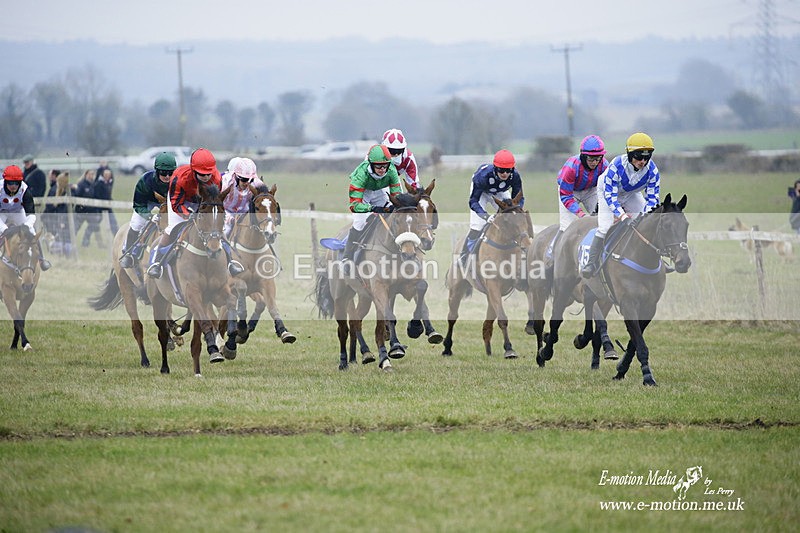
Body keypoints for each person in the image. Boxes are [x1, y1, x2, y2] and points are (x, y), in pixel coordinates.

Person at [146, 148, 244, 279]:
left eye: (208, 174)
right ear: (193, 170)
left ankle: (231, 261)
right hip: (181, 202)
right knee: (171, 228)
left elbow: (214, 200)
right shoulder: (179, 179)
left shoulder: (216, 178)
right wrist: (189, 215)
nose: (206, 177)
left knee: (216, 228)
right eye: (202, 174)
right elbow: (176, 204)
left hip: (202, 202)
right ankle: (156, 263)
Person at [581, 132, 660, 279]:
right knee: (605, 227)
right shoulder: (616, 166)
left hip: (630, 193)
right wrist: (622, 215)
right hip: (607, 192)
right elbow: (611, 197)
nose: (642, 161)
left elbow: (653, 199)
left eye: (646, 157)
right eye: (638, 157)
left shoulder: (653, 171)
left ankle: (652, 259)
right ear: (629, 154)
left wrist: (643, 216)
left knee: (647, 223)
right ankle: (591, 263)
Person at [547, 135, 609, 271]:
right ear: (583, 156)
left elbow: (607, 188)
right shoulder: (571, 167)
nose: (594, 162)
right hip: (570, 192)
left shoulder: (604, 165)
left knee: (602, 221)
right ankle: (551, 252)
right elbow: (566, 195)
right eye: (591, 159)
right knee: (567, 226)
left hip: (591, 190)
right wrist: (580, 214)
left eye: (598, 158)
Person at [459, 149, 524, 263]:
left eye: (508, 170)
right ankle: (464, 256)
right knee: (477, 226)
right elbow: (473, 201)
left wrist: (517, 211)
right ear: (495, 168)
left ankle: (522, 250)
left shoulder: (515, 176)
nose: (505, 174)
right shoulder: (482, 176)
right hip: (481, 193)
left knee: (513, 220)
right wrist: (485, 216)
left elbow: (519, 199)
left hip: (500, 191)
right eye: (501, 170)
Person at [342, 144, 402, 266]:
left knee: (395, 215)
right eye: (378, 166)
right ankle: (347, 258)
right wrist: (372, 208)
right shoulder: (360, 175)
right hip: (363, 193)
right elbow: (354, 206)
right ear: (370, 164)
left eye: (385, 166)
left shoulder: (391, 170)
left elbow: (397, 197)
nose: (382, 169)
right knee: (360, 222)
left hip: (379, 191)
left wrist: (394, 206)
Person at [118, 152, 177, 269]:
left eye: (170, 173)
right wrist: (149, 216)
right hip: (148, 202)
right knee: (136, 223)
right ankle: (128, 253)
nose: (167, 176)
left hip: (169, 203)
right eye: (163, 173)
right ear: (156, 171)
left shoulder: (178, 181)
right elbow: (139, 204)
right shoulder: (145, 180)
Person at [0, 165, 51, 270]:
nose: (13, 186)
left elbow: (31, 214)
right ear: (5, 181)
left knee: (32, 231)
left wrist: (27, 225)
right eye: (10, 183)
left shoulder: (25, 190)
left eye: (16, 183)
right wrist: (4, 229)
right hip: (2, 212)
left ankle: (41, 260)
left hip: (18, 211)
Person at [221, 157, 265, 239]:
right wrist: (227, 217)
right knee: (225, 231)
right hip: (226, 213)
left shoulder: (256, 183)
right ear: (236, 176)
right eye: (244, 180)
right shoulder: (225, 182)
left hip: (245, 215)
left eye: (250, 180)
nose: (247, 184)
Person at [73, 169, 101, 247]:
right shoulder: (81, 184)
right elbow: (77, 195)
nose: (91, 176)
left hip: (91, 211)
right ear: (86, 175)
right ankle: (70, 242)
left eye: (93, 174)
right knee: (75, 228)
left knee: (93, 226)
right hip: (81, 211)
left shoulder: (94, 185)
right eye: (90, 174)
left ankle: (85, 243)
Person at [93, 168, 119, 237]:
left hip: (107, 207)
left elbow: (107, 194)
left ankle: (116, 237)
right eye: (106, 175)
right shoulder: (98, 184)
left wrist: (110, 200)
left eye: (109, 175)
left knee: (113, 223)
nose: (107, 176)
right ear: (103, 175)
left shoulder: (109, 182)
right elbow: (97, 195)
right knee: (94, 224)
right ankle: (86, 242)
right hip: (100, 207)